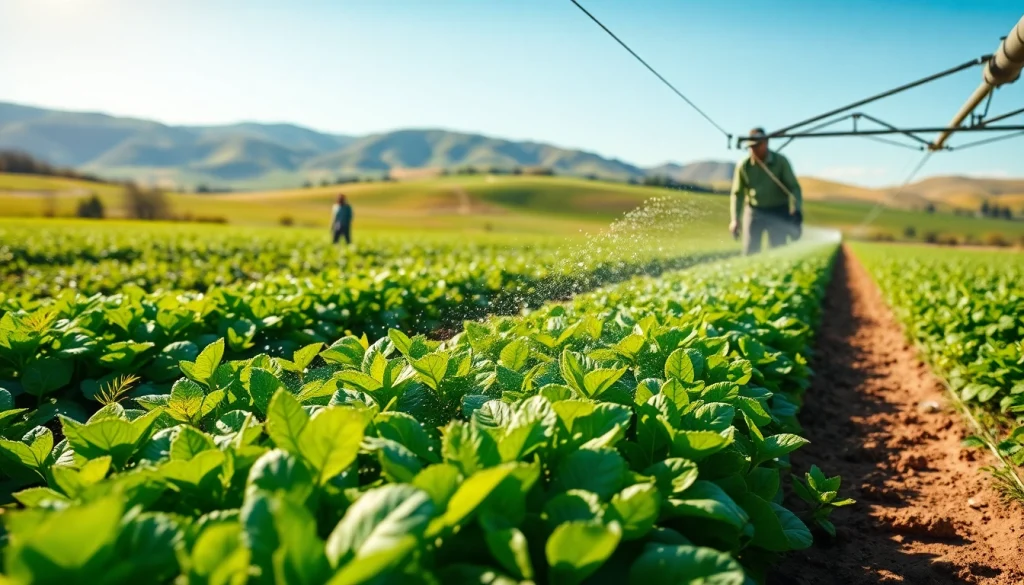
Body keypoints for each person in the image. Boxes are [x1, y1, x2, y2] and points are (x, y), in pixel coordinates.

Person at [729, 127, 803, 255]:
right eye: (751, 147)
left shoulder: (780, 162)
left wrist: (797, 210)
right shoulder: (743, 166)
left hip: (778, 211)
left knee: (778, 250)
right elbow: (737, 194)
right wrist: (735, 219)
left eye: (758, 145)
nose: (754, 150)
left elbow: (794, 188)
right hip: (754, 211)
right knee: (750, 250)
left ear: (766, 143)